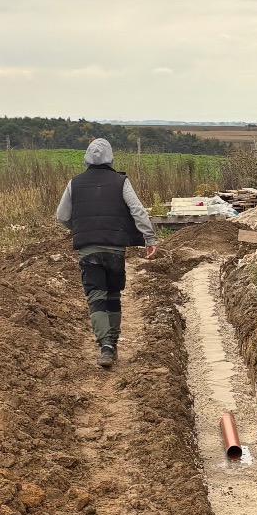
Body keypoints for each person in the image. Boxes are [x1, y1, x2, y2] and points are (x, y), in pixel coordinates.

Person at [55, 138, 157, 366]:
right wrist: (149, 238)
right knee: (113, 295)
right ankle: (113, 342)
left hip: (88, 249)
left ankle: (105, 347)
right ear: (111, 157)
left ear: (87, 158)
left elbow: (62, 216)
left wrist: (81, 227)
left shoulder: (74, 183)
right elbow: (138, 211)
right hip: (115, 248)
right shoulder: (121, 181)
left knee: (96, 297)